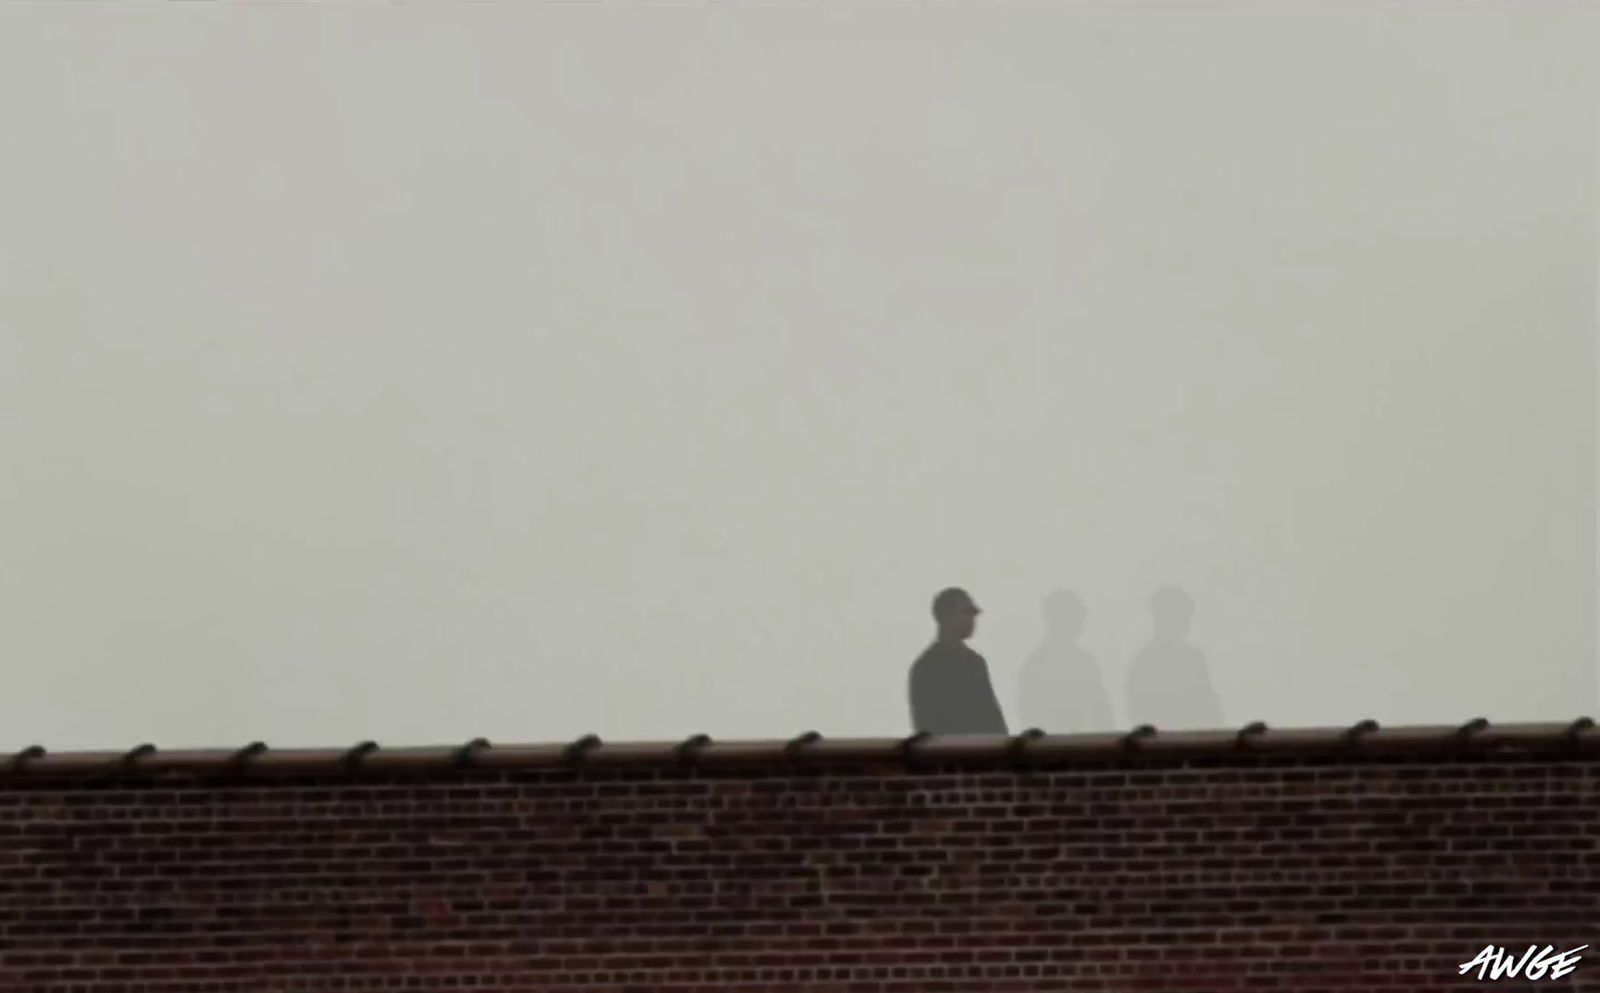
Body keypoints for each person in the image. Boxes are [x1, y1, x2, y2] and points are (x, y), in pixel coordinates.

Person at [907, 587, 1009, 735]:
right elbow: (927, 724)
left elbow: (992, 717)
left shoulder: (975, 663)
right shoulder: (926, 668)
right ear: (945, 616)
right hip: (949, 754)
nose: (972, 619)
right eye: (966, 612)